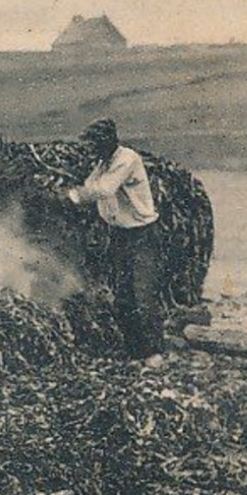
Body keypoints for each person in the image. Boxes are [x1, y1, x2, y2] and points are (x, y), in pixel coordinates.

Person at [64, 118, 166, 359]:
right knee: (123, 296)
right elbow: (91, 184)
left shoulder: (126, 159)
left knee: (143, 293)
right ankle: (134, 350)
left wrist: (71, 196)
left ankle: (154, 352)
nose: (91, 149)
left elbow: (103, 189)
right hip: (120, 235)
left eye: (95, 144)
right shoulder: (104, 162)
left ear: (108, 142)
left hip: (142, 235)